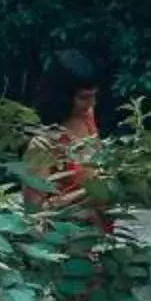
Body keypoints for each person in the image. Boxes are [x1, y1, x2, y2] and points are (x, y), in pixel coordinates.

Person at [23, 48, 106, 211]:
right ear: (61, 96)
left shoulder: (86, 115)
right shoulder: (43, 145)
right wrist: (89, 192)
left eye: (94, 95)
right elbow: (34, 211)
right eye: (83, 98)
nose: (92, 103)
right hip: (70, 231)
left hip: (100, 226)